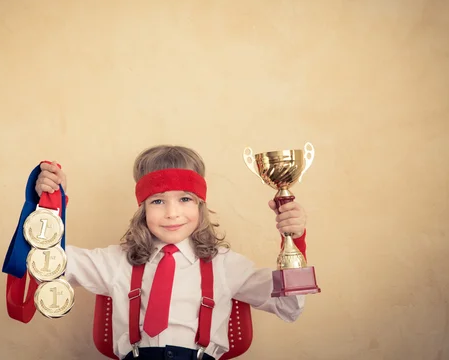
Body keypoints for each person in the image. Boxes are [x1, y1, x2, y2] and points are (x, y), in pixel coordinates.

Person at [35, 145, 309, 360]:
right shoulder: (115, 261)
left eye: (185, 199)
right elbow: (46, 265)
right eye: (157, 201)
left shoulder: (226, 265)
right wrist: (50, 204)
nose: (172, 213)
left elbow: (289, 306)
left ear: (201, 205)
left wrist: (295, 240)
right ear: (142, 209)